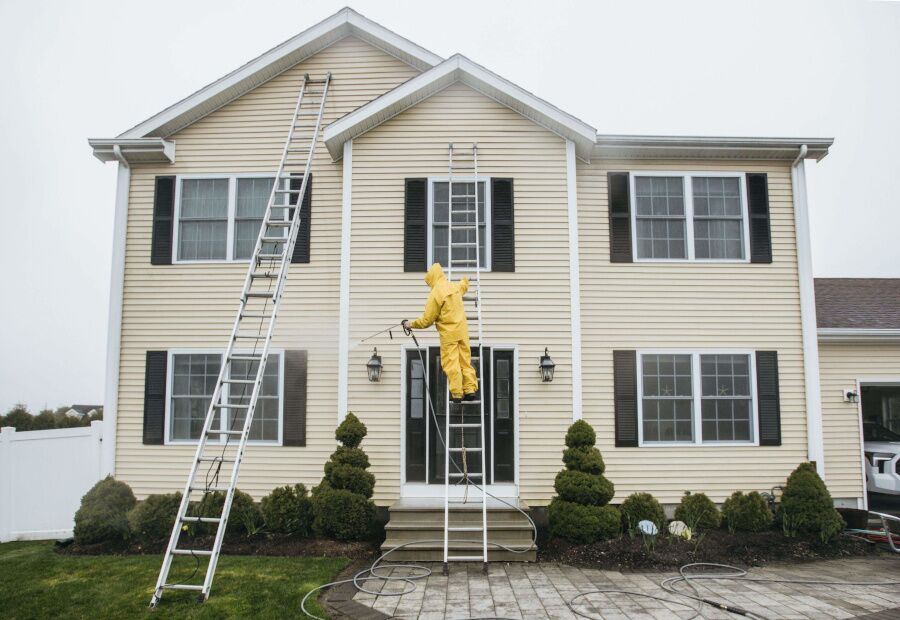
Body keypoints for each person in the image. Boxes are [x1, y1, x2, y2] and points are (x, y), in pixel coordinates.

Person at [402, 263, 478, 403]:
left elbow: (427, 320)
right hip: (462, 332)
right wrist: (466, 279)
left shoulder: (435, 294)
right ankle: (470, 389)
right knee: (465, 362)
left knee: (451, 363)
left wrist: (410, 324)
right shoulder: (453, 287)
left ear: (432, 278)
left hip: (449, 335)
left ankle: (457, 394)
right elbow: (463, 287)